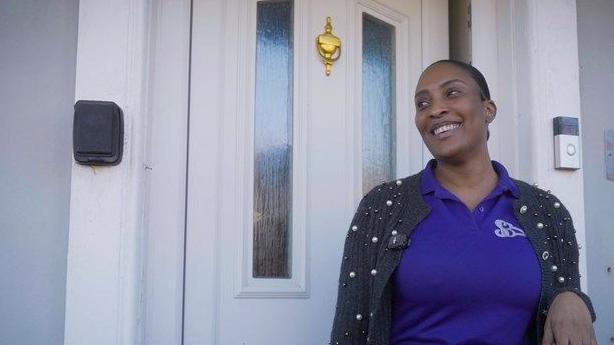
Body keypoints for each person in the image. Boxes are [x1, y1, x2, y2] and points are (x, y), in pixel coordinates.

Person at [329, 60, 596, 345]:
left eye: (452, 93)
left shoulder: (547, 211)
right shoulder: (382, 206)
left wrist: (572, 298)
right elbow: (351, 327)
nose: (434, 109)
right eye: (422, 103)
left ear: (488, 110)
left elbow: (565, 308)